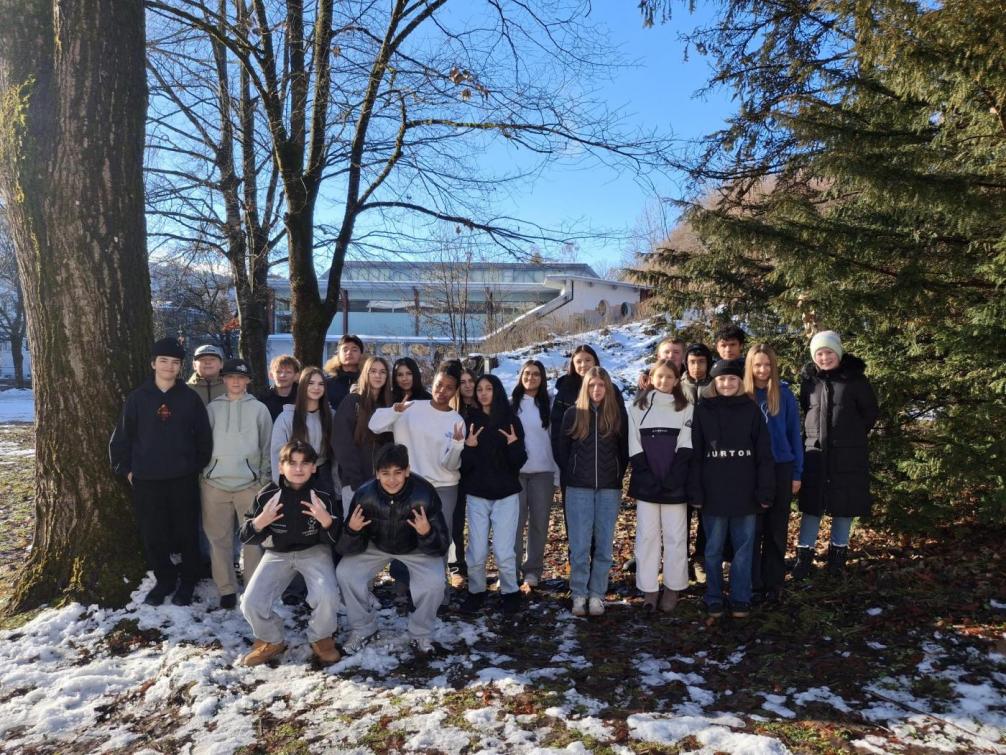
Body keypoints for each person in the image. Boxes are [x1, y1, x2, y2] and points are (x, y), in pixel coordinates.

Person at [109, 337, 212, 606]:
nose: (169, 366)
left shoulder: (189, 398)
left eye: (175, 362)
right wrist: (128, 471)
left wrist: (193, 468)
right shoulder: (138, 399)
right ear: (153, 363)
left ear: (180, 367)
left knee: (187, 531)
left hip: (183, 478)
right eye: (163, 361)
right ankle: (164, 579)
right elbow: (121, 438)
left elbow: (204, 439)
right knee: (153, 533)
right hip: (147, 480)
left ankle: (188, 580)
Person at [336, 444, 451, 655]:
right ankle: (363, 628)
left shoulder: (424, 494)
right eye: (385, 473)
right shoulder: (364, 495)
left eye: (398, 472)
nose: (392, 479)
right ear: (376, 474)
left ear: (407, 471)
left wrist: (426, 533)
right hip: (376, 544)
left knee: (434, 582)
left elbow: (441, 546)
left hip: (415, 546)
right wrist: (352, 531)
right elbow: (344, 547)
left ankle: (421, 633)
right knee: (346, 573)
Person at [237, 440, 342, 666]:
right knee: (251, 602)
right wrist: (260, 522)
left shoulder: (322, 494)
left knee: (327, 596)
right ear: (281, 466)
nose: (298, 469)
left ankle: (321, 637)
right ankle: (271, 639)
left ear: (314, 467)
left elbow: (338, 539)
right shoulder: (267, 494)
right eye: (291, 463)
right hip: (278, 553)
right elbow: (245, 535)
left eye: (305, 463)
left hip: (314, 550)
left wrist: (326, 522)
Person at [369, 361, 465, 603]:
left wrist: (456, 445)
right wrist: (395, 411)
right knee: (405, 534)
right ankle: (404, 585)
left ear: (455, 391)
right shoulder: (410, 407)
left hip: (444, 486)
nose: (442, 391)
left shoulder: (456, 420)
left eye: (449, 388)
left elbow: (451, 465)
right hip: (410, 485)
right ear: (432, 382)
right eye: (439, 385)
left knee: (439, 536)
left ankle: (437, 590)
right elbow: (374, 425)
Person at [688, 359, 774, 619]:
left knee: (743, 549)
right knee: (713, 549)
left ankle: (740, 597)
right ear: (714, 382)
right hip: (713, 492)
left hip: (745, 492)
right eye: (722, 379)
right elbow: (695, 454)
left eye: (732, 379)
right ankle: (713, 596)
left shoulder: (751, 410)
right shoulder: (703, 410)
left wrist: (764, 490)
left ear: (740, 382)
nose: (727, 383)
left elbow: (764, 455)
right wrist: (696, 491)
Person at [794, 331, 878, 578]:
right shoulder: (810, 382)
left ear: (838, 353)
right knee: (812, 506)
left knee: (844, 505)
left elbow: (870, 413)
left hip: (847, 455)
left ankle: (837, 559)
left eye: (829, 352)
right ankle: (804, 557)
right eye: (819, 353)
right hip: (815, 453)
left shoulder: (856, 381)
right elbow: (806, 409)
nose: (824, 357)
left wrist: (850, 438)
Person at [201, 358, 273, 609]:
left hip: (249, 484)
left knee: (253, 539)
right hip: (215, 483)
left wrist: (263, 480)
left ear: (248, 381)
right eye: (231, 377)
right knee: (218, 539)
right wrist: (205, 474)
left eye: (241, 378)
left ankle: (252, 587)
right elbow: (203, 445)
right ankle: (227, 589)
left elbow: (267, 446)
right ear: (224, 379)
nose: (236, 382)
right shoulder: (213, 408)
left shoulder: (259, 409)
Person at [557, 366, 628, 617]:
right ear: (585, 387)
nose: (597, 390)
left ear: (607, 388)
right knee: (579, 545)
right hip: (578, 489)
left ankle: (597, 594)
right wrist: (573, 474)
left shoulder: (617, 415)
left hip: (609, 489)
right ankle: (579, 594)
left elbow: (624, 451)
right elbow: (562, 451)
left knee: (604, 546)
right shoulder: (572, 414)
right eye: (592, 385)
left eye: (601, 385)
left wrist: (616, 475)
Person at [627, 360, 693, 612]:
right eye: (659, 376)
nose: (664, 381)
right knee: (647, 536)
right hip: (647, 481)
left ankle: (673, 587)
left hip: (674, 481)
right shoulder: (636, 407)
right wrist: (647, 475)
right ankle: (649, 589)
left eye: (669, 377)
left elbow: (686, 444)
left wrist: (673, 477)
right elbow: (634, 444)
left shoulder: (686, 407)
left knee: (676, 537)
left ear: (677, 380)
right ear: (651, 378)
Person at [459, 374, 527, 615]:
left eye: (489, 388)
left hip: (506, 494)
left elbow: (518, 462)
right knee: (476, 550)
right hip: (477, 495)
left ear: (496, 391)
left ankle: (510, 592)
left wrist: (513, 444)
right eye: (480, 389)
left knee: (503, 550)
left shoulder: (510, 421)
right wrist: (469, 447)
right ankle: (476, 591)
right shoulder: (470, 421)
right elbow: (464, 466)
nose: (483, 393)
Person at [744, 344, 803, 602]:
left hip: (781, 467)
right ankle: (753, 583)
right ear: (750, 366)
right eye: (758, 364)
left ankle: (774, 582)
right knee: (753, 528)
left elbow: (794, 437)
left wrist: (797, 473)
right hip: (751, 470)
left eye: (767, 365)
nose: (763, 370)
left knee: (776, 528)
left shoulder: (785, 395)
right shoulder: (742, 396)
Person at [510, 360, 558, 590]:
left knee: (539, 524)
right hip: (517, 474)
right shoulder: (511, 404)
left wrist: (557, 475)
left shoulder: (549, 403)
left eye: (536, 374)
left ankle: (532, 571)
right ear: (521, 376)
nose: (531, 378)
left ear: (542, 378)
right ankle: (511, 570)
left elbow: (555, 441)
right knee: (514, 525)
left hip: (543, 473)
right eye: (527, 374)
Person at [332, 356, 394, 506]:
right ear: (365, 373)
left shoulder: (389, 406)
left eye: (382, 372)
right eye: (373, 371)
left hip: (383, 485)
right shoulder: (352, 402)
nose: (378, 375)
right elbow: (342, 444)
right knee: (355, 527)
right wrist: (357, 482)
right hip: (355, 485)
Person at [271, 367, 335, 495]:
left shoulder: (331, 415)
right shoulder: (287, 417)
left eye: (320, 384)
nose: (316, 387)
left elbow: (336, 454)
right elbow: (276, 454)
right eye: (311, 383)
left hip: (323, 476)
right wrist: (279, 484)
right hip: (294, 475)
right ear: (302, 386)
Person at [449, 365, 478, 583]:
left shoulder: (484, 407)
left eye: (471, 381)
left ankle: (477, 563)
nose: (468, 385)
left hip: (479, 472)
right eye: (463, 382)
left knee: (478, 523)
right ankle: (456, 565)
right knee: (456, 521)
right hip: (455, 472)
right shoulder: (451, 412)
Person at [323, 335, 365, 412]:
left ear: (361, 355)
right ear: (338, 354)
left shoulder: (367, 381)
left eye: (354, 350)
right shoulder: (326, 383)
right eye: (345, 350)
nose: (349, 353)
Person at [260, 354, 301, 421]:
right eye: (278, 372)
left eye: (288, 372)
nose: (283, 375)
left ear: (296, 376)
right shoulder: (263, 399)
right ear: (271, 375)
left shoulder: (303, 397)